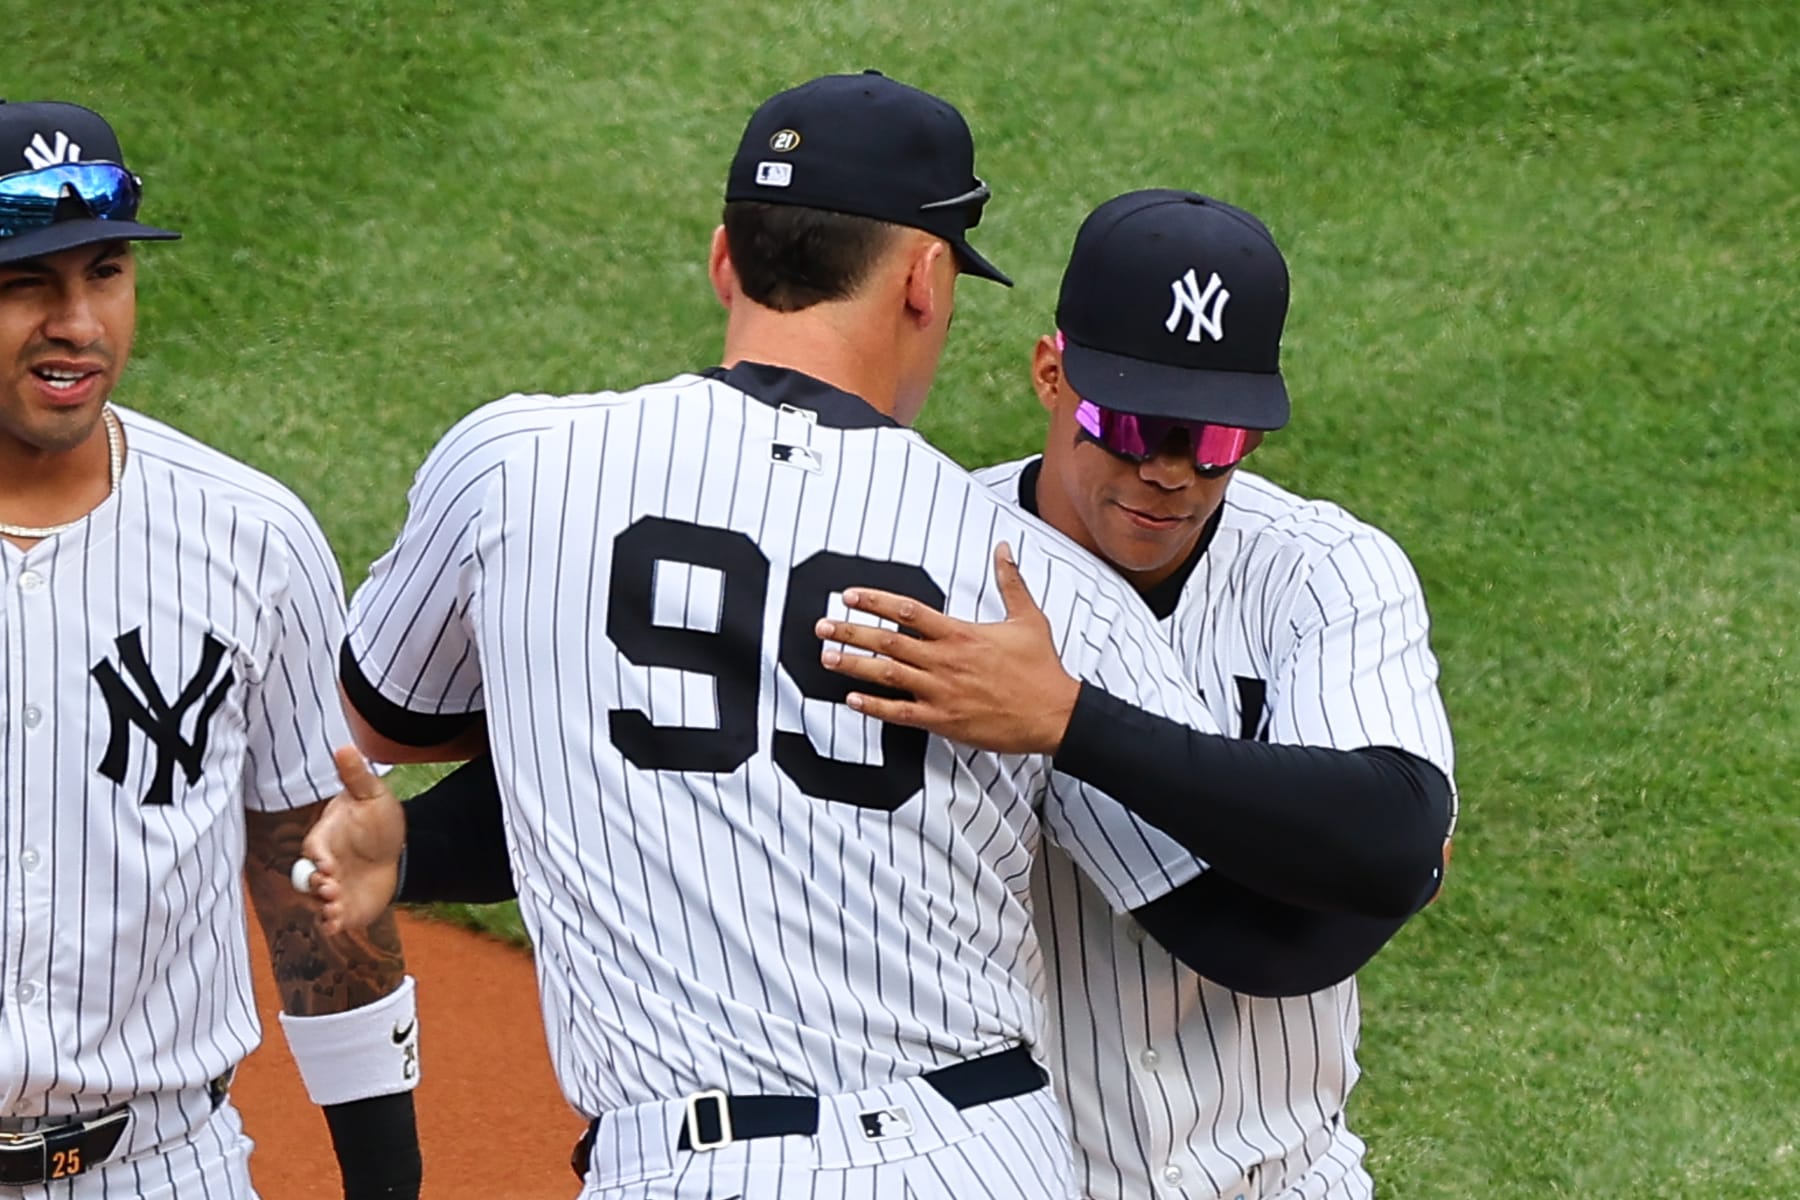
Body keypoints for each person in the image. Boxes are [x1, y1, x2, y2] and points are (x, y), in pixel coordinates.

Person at [322, 73, 1264, 1200]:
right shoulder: (1032, 577)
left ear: (727, 257)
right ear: (925, 278)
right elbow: (1241, 903)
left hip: (694, 1168)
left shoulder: (515, 467)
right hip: (980, 1159)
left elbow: (391, 716)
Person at [813, 190, 1458, 1199]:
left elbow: (1385, 833)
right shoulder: (929, 558)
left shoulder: (1324, 571)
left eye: (1214, 442)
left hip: (1286, 1179)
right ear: (1050, 374)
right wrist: (1373, 860)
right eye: (1129, 424)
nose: (1168, 472)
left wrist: (1068, 722)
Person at [0, 100, 422, 1198]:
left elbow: (312, 885)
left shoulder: (252, 539)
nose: (77, 323)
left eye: (104, 273)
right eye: (23, 283)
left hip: (158, 1169)